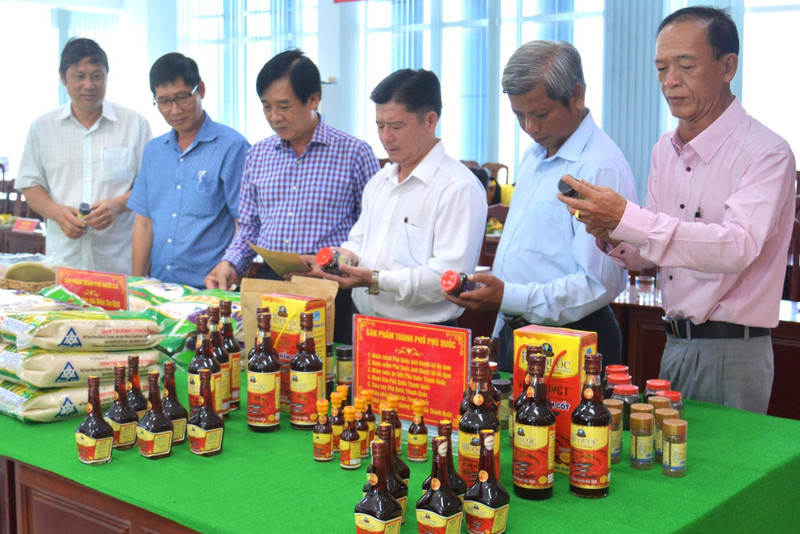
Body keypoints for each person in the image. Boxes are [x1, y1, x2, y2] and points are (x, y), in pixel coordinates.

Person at [558, 7, 796, 414]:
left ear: (728, 66)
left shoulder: (766, 152)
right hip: (673, 342)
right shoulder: (664, 150)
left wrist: (629, 220)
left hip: (731, 350)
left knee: (723, 475)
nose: (670, 82)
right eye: (661, 67)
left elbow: (736, 247)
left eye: (685, 65)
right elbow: (652, 250)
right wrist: (610, 230)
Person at [443, 41, 637, 371]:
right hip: (518, 331)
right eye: (519, 115)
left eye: (540, 114)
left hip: (573, 341)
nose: (530, 128)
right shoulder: (535, 155)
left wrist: (509, 296)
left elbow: (599, 282)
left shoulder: (598, 168)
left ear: (577, 95)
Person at [204, 49, 380, 343]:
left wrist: (333, 264)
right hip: (272, 283)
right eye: (267, 107)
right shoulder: (258, 154)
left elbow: (373, 230)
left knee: (326, 375)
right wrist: (229, 263)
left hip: (331, 287)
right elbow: (249, 225)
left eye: (284, 106)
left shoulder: (354, 153)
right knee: (267, 368)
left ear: (313, 98)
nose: (275, 117)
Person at [318, 69, 487, 325]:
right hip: (366, 325)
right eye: (379, 126)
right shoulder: (379, 181)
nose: (386, 137)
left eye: (396, 126)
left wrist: (374, 280)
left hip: (426, 333)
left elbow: (447, 278)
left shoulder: (458, 188)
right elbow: (359, 241)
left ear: (430, 121)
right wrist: (346, 258)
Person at [16, 38, 151, 273]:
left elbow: (150, 184)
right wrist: (57, 213)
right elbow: (30, 185)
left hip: (118, 263)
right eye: (79, 76)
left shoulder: (134, 124)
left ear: (107, 76)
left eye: (97, 76)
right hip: (63, 263)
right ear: (62, 78)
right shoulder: (43, 127)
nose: (89, 85)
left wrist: (118, 205)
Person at [127, 53, 249, 288]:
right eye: (164, 102)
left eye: (182, 97)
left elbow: (243, 224)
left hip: (211, 290)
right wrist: (136, 285)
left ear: (200, 89)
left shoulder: (232, 147)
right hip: (159, 288)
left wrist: (232, 282)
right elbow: (144, 223)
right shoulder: (154, 151)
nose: (174, 110)